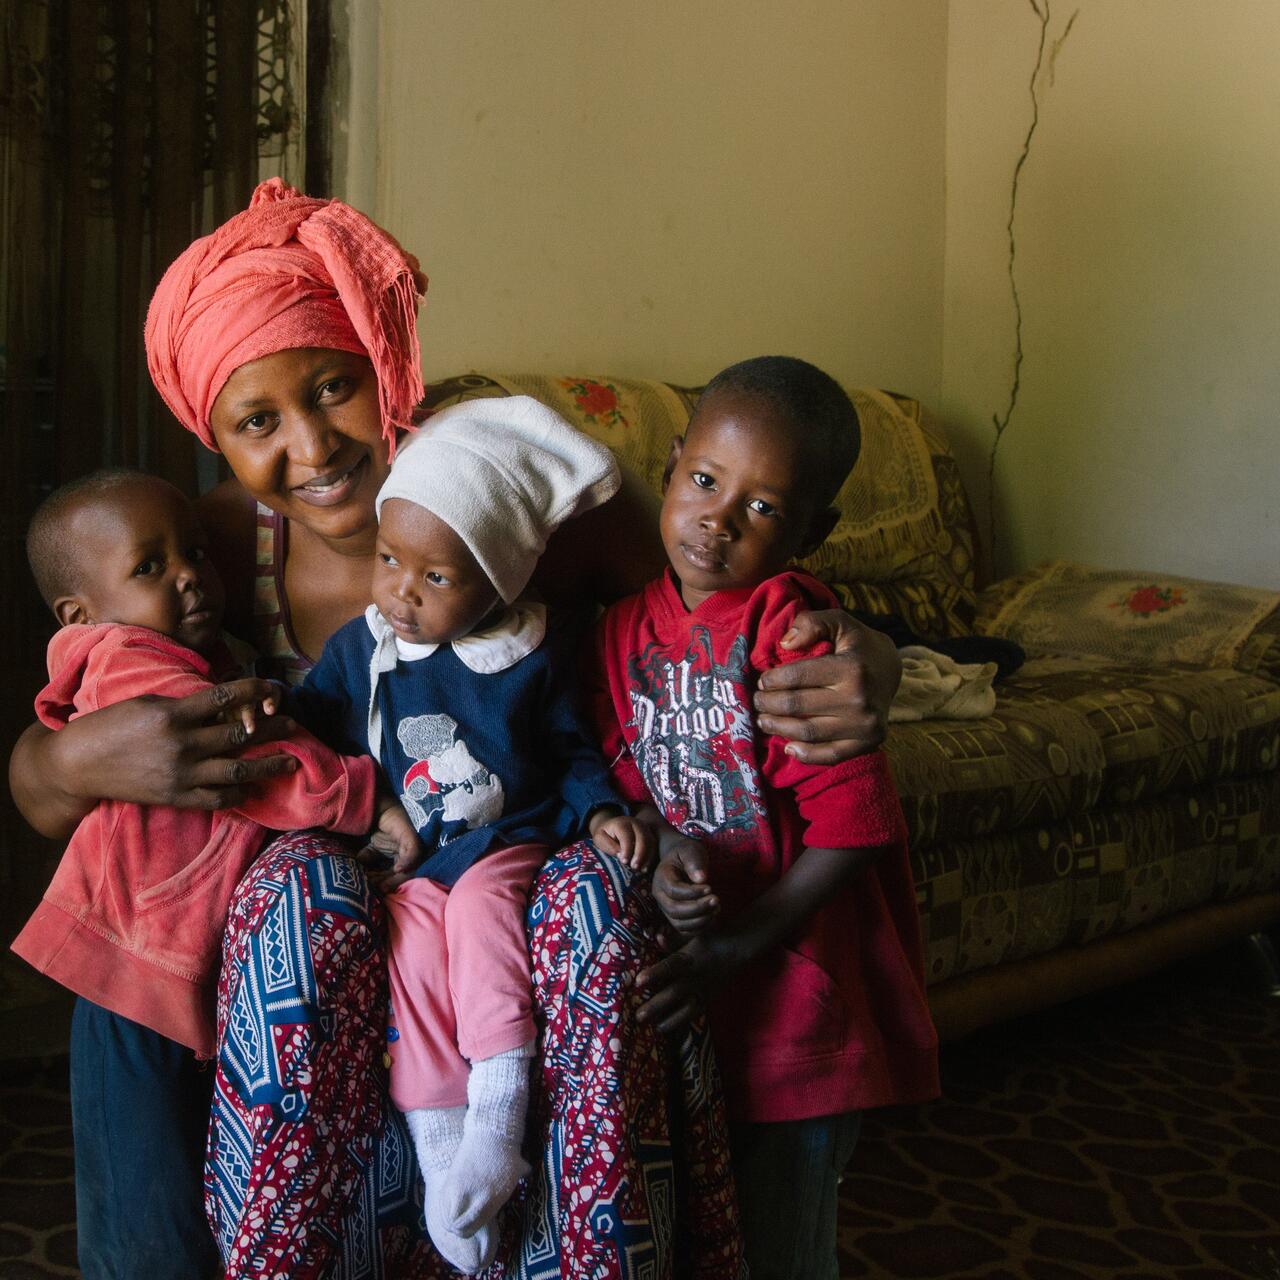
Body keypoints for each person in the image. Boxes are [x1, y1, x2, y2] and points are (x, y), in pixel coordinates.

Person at [7, 181, 902, 1279]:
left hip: (500, 881)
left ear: (380, 370)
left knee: (581, 915)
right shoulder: (213, 550)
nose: (314, 446)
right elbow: (57, 771)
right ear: (217, 438)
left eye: (333, 387)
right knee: (144, 945)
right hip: (321, 923)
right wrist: (64, 755)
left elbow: (707, 612)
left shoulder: (516, 497)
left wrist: (872, 649)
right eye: (256, 423)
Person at [590, 356, 941, 1280]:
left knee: (784, 1248)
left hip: (795, 1003)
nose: (718, 517)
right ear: (670, 466)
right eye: (705, 481)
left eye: (763, 507)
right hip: (704, 1006)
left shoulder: (793, 637)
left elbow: (856, 828)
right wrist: (662, 851)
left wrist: (738, 946)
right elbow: (631, 783)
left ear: (810, 532)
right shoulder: (619, 631)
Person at [293, 397, 655, 1273]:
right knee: (412, 956)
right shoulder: (364, 649)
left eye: (437, 578)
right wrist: (275, 721)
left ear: (501, 581)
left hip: (505, 847)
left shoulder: (534, 652)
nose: (401, 593)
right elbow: (313, 727)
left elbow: (571, 747)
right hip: (414, 868)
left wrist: (603, 809)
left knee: (483, 921)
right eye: (389, 561)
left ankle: (498, 1116)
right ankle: (440, 1143)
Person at [12, 468, 382, 1279]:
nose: (189, 574)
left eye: (197, 554)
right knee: (147, 1233)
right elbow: (260, 766)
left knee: (181, 1200)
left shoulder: (200, 653)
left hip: (173, 972)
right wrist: (363, 796)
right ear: (80, 614)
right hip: (129, 982)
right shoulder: (127, 662)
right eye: (151, 566)